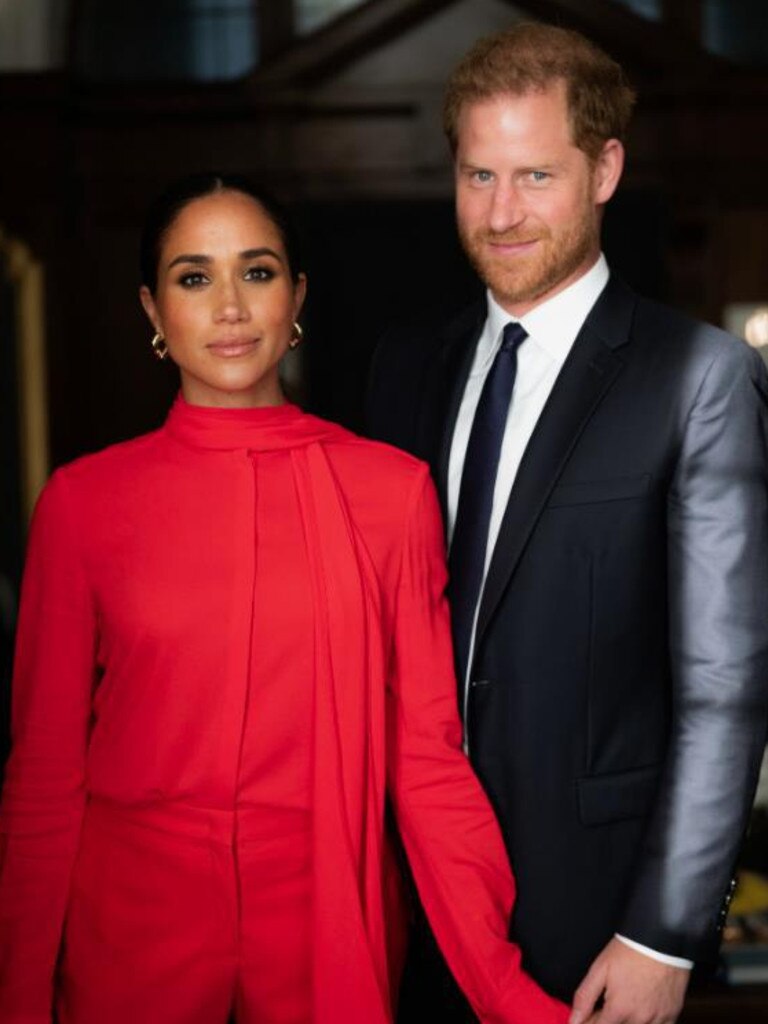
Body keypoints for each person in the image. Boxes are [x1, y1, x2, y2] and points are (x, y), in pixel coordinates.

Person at [0, 172, 569, 1024]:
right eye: (195, 278)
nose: (229, 306)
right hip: (127, 935)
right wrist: (16, 995)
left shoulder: (390, 493)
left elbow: (426, 763)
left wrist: (504, 991)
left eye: (257, 272)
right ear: (154, 311)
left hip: (326, 922)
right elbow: (45, 776)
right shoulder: (82, 506)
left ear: (296, 296)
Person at [366, 22, 768, 1024]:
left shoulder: (699, 376)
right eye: (477, 176)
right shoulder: (404, 368)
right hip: (412, 909)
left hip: (602, 920)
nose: (501, 214)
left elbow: (727, 689)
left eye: (535, 175)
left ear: (604, 170)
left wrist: (664, 932)